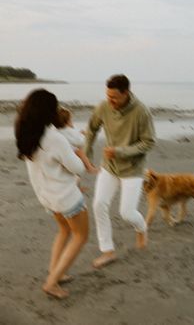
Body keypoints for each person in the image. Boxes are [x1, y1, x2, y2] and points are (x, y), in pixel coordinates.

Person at [15, 88, 93, 299]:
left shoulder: (26, 134)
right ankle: (51, 282)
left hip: (46, 196)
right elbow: (77, 168)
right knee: (81, 236)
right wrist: (76, 153)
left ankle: (57, 273)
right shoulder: (54, 138)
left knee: (64, 232)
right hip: (66, 196)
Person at [84, 74, 156, 268]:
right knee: (99, 204)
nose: (110, 101)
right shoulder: (104, 107)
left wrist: (121, 151)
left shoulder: (141, 112)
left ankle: (141, 228)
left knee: (127, 212)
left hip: (133, 168)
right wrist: (86, 153)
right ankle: (107, 251)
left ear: (126, 93)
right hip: (110, 166)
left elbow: (149, 142)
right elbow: (91, 129)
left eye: (114, 97)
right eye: (108, 96)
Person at [54, 106, 98, 175]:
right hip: (71, 150)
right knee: (81, 152)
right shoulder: (68, 130)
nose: (72, 122)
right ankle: (89, 167)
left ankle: (88, 164)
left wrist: (80, 132)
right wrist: (84, 136)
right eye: (70, 120)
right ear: (67, 122)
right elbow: (79, 141)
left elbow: (76, 133)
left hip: (63, 150)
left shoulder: (58, 130)